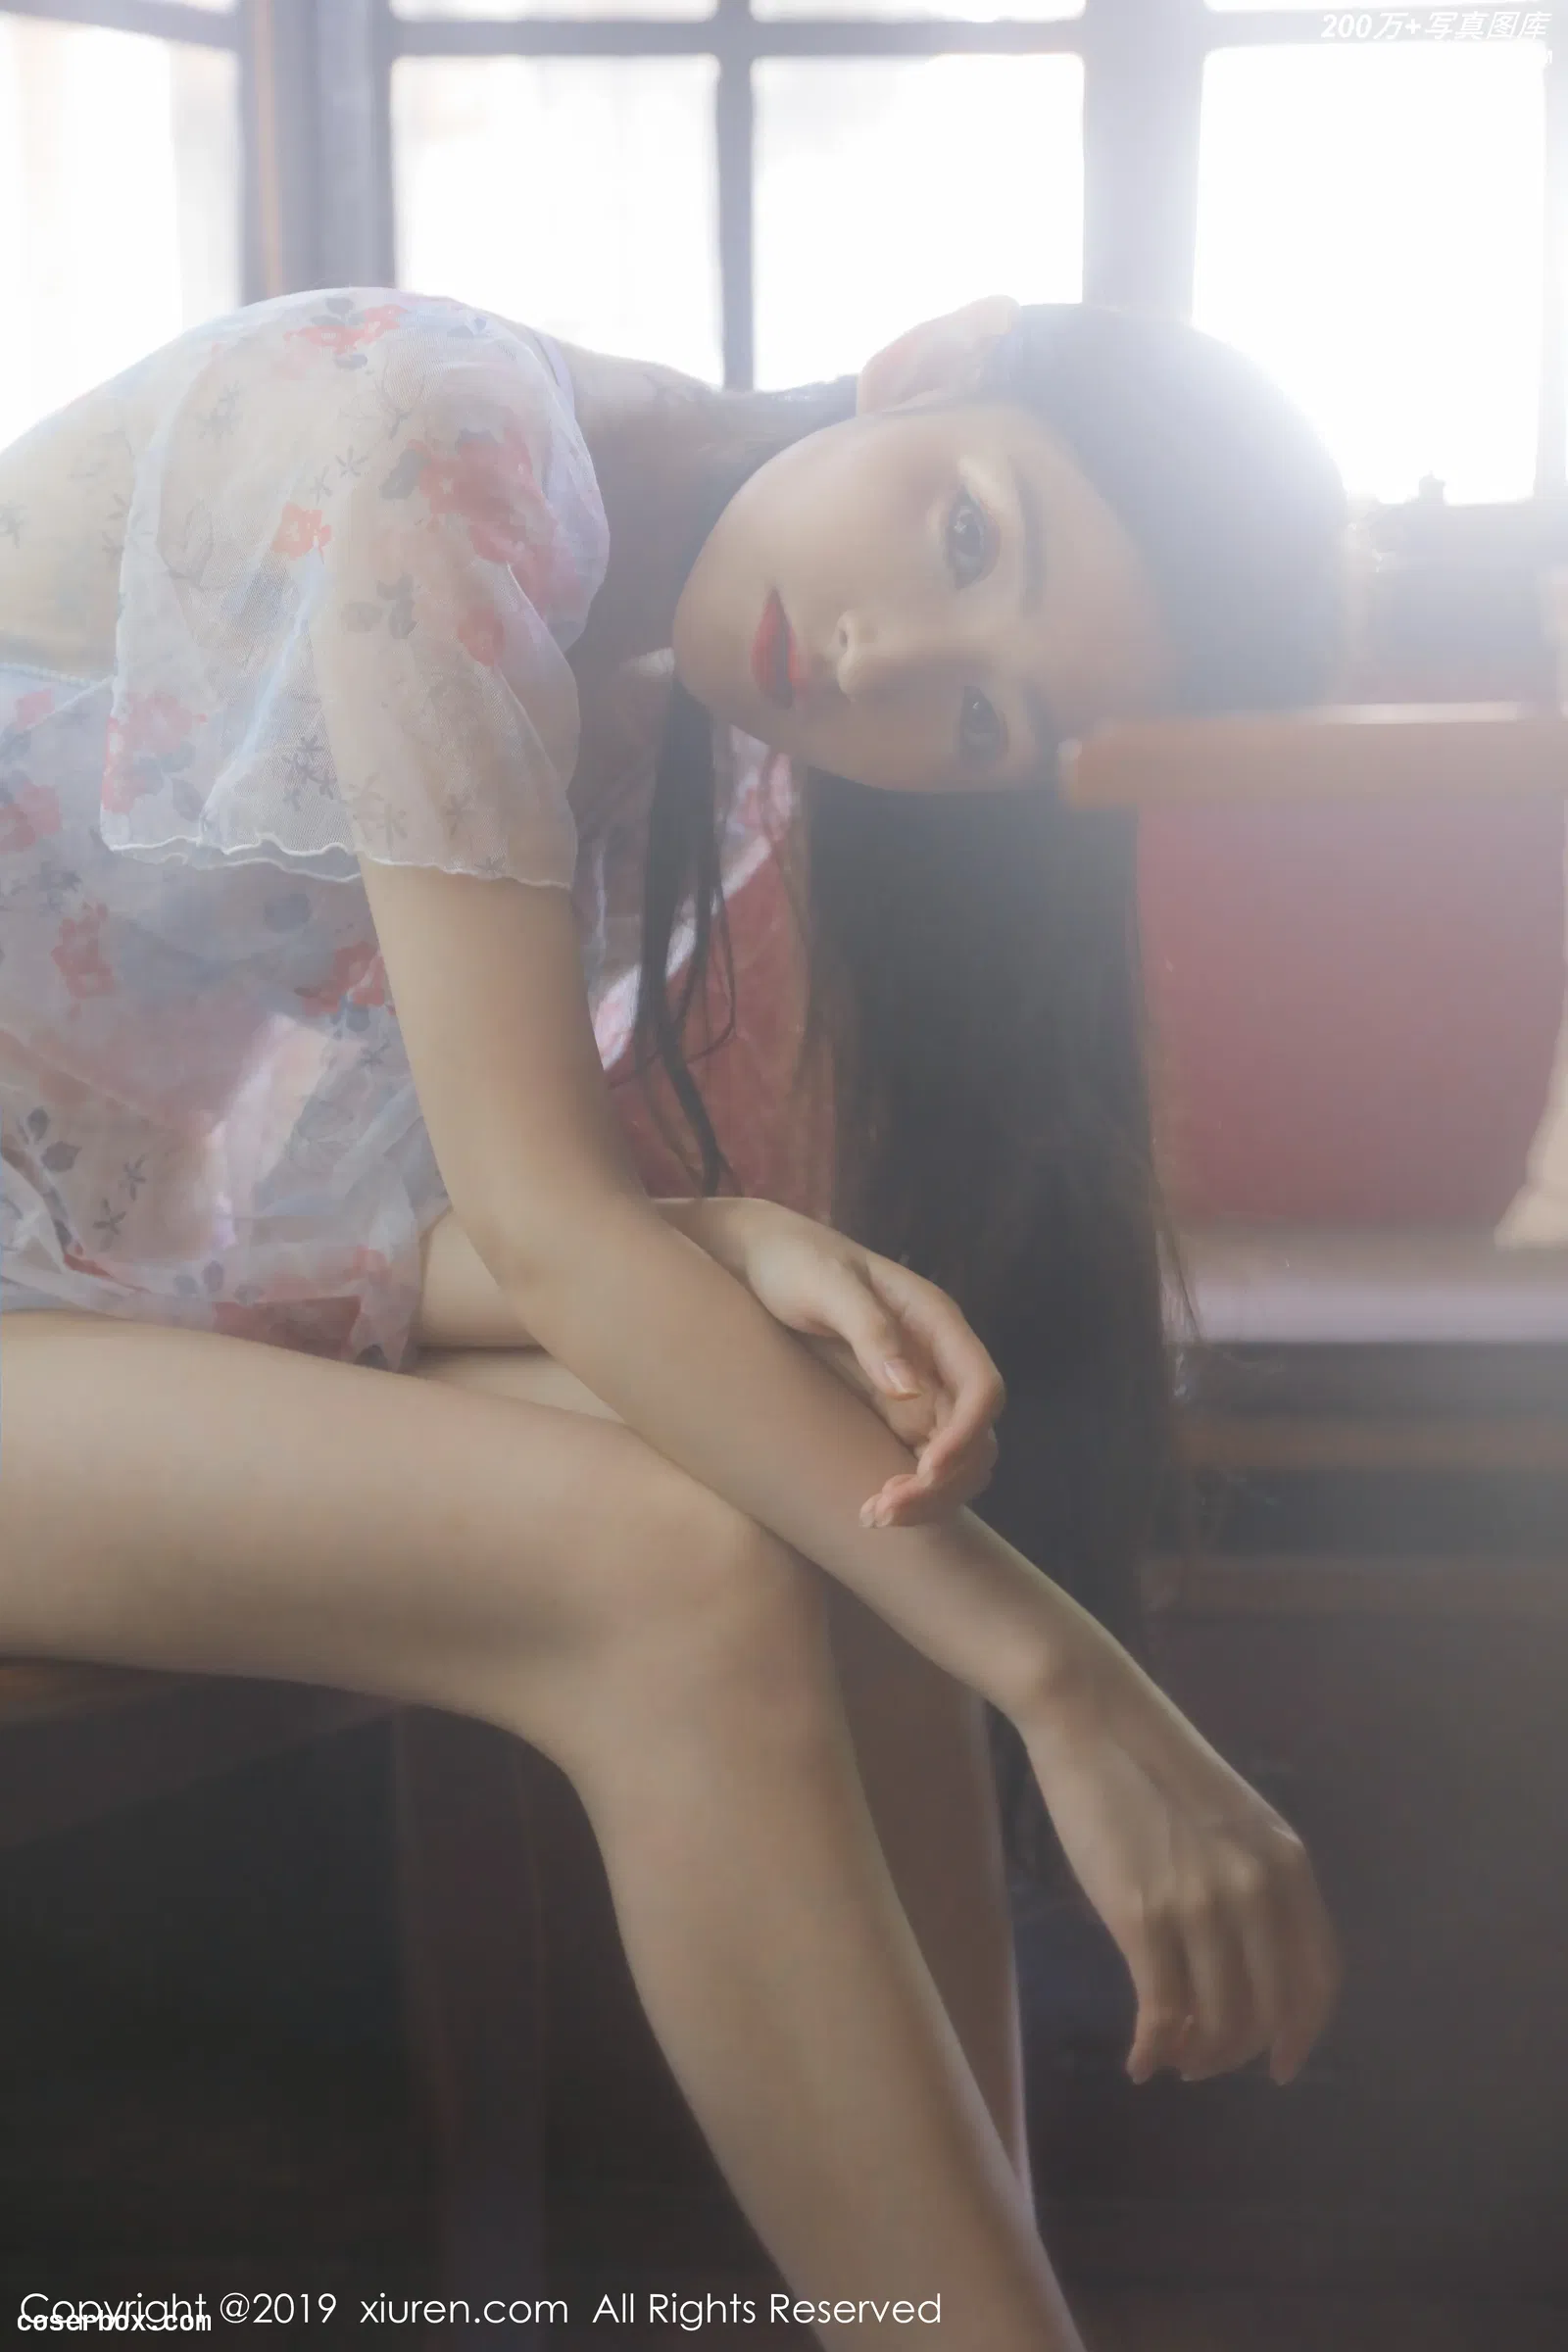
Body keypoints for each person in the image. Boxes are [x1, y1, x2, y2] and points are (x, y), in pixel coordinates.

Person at [0, 284, 1346, 2349]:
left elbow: (374, 1236)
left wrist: (706, 1242)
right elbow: (543, 1240)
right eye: (968, 536)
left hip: (70, 1292)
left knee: (838, 1489)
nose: (887, 664)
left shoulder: (673, 728)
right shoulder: (445, 448)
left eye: (983, 723)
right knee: (675, 1562)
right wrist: (1074, 1689)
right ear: (933, 356)